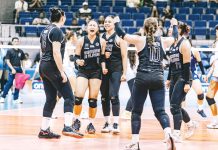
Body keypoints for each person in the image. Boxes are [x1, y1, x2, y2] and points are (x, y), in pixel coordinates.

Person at [114, 16, 177, 150]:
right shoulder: (164, 41)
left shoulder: (139, 39)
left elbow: (120, 33)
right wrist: (175, 25)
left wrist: (117, 21)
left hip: (142, 77)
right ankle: (168, 133)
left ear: (144, 28)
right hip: (158, 78)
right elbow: (175, 37)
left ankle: (135, 142)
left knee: (136, 112)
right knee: (160, 111)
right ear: (158, 28)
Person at [37, 7, 83, 139]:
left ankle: (44, 130)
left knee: (51, 99)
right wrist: (61, 72)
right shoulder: (57, 31)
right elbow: (56, 52)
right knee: (69, 97)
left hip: (44, 66)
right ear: (62, 18)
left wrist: (43, 70)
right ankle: (68, 126)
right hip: (52, 67)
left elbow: (43, 51)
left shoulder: (45, 30)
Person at [72, 20, 107, 134]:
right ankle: (76, 121)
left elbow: (102, 58)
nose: (92, 27)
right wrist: (78, 61)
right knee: (78, 98)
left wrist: (103, 68)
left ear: (97, 28)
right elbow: (75, 57)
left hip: (96, 72)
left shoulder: (102, 41)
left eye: (94, 25)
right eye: (90, 25)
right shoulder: (81, 40)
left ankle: (90, 124)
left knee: (93, 100)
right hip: (83, 71)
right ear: (87, 28)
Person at [165, 22, 198, 143]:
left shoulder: (184, 43)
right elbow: (171, 64)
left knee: (174, 106)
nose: (169, 30)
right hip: (174, 76)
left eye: (172, 28)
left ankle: (177, 134)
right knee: (175, 106)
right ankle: (190, 124)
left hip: (183, 77)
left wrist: (187, 83)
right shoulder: (173, 44)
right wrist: (168, 78)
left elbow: (186, 65)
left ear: (179, 30)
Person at [100, 16, 127, 134]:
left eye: (109, 22)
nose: (106, 23)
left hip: (116, 70)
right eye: (105, 22)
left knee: (113, 95)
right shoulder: (101, 37)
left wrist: (124, 73)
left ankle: (116, 123)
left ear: (114, 24)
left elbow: (124, 56)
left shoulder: (120, 38)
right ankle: (107, 122)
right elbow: (99, 55)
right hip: (104, 71)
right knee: (104, 97)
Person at [0, 37, 25, 104]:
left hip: (19, 69)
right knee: (9, 83)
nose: (16, 42)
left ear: (19, 42)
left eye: (17, 41)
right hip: (12, 69)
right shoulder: (9, 51)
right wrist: (12, 69)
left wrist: (23, 69)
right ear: (12, 42)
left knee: (18, 84)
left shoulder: (21, 51)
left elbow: (22, 61)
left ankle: (16, 98)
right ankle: (3, 97)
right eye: (15, 41)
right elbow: (7, 61)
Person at [205, 25, 218, 129]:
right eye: (217, 31)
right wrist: (209, 74)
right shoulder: (216, 43)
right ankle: (216, 120)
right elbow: (214, 62)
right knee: (209, 96)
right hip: (215, 75)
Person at [121, 49, 138, 120]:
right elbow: (136, 68)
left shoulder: (126, 57)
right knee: (134, 95)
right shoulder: (136, 56)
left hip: (129, 77)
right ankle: (127, 111)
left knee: (134, 95)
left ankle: (128, 111)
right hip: (134, 77)